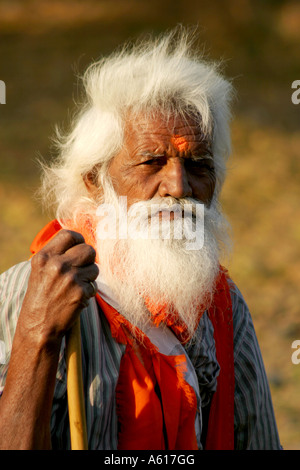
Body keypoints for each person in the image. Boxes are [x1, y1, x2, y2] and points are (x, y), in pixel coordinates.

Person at [0, 29, 281, 450]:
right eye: (152, 162)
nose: (178, 186)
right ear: (95, 180)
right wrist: (37, 338)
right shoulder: (27, 294)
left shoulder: (223, 307)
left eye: (198, 165)